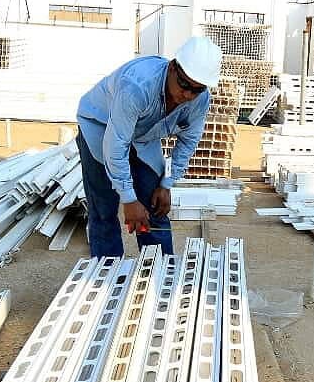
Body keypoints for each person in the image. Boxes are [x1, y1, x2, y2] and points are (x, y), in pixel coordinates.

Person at [75, 36, 222, 257]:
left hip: (143, 135)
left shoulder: (199, 100)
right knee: (104, 208)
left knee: (155, 205)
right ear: (173, 67)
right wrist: (129, 198)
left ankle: (159, 271)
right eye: (184, 85)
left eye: (197, 89)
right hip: (101, 126)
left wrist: (167, 183)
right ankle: (108, 274)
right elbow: (116, 144)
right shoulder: (136, 87)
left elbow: (187, 143)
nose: (188, 95)